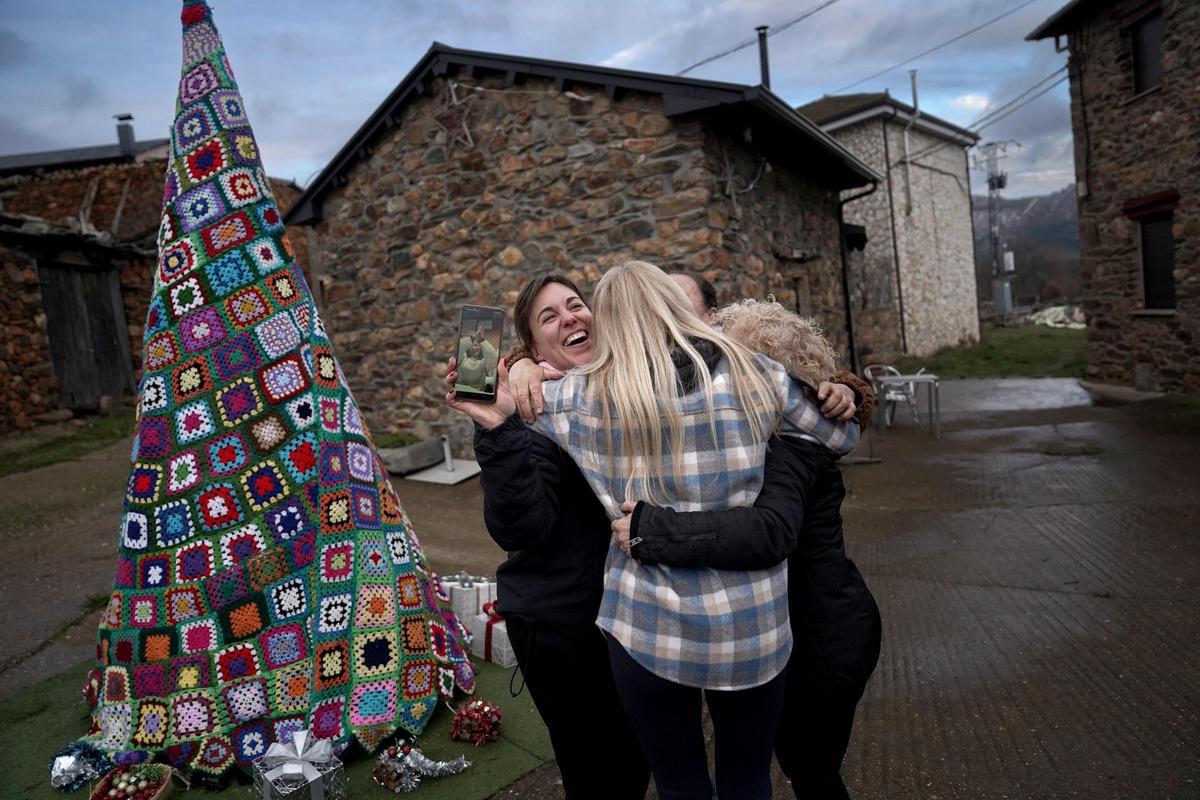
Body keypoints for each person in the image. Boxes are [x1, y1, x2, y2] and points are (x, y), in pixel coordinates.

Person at [445, 275, 862, 799]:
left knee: (677, 782)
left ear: (610, 324)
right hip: (744, 628)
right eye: (550, 317)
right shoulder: (757, 376)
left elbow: (515, 410)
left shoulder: (581, 400)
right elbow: (840, 435)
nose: (571, 318)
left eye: (578, 306)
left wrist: (504, 403)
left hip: (644, 630)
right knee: (742, 779)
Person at [613, 298, 882, 800]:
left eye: (726, 359)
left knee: (811, 771)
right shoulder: (765, 432)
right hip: (807, 626)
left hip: (821, 638)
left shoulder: (794, 443)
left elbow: (768, 531)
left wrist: (651, 528)